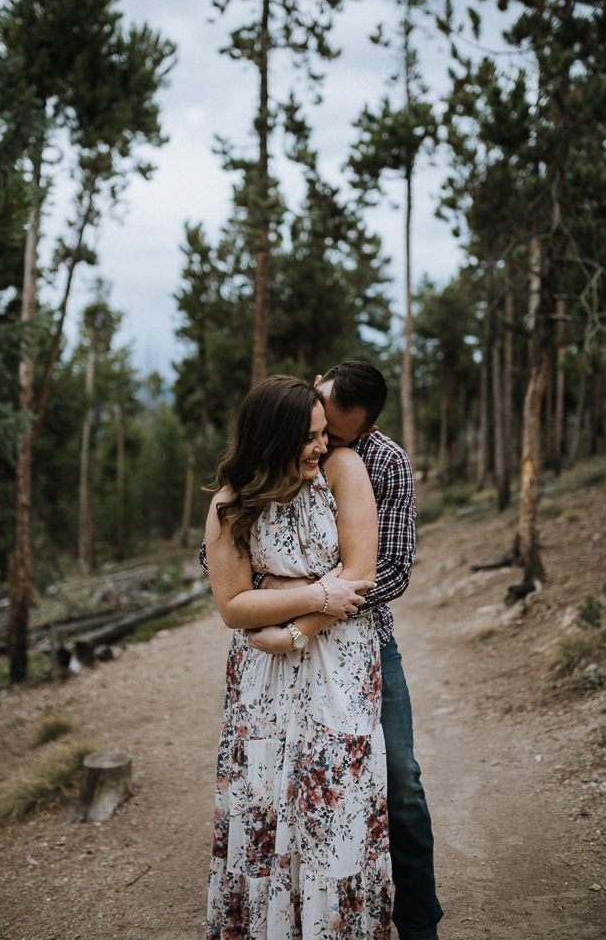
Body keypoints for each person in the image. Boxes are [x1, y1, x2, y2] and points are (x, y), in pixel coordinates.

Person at [245, 362, 443, 940]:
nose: (321, 445)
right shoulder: (281, 434)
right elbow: (219, 564)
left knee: (398, 781)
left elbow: (389, 572)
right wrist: (297, 591)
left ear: (365, 429)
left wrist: (305, 610)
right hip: (275, 659)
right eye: (317, 428)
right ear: (316, 389)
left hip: (363, 645)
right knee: (277, 785)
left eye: (336, 436)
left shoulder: (383, 461)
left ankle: (415, 923)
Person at [204, 375, 392, 939]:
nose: (322, 445)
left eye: (323, 435)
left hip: (341, 664)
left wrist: (297, 629)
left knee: (338, 807)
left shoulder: (343, 470)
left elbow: (358, 577)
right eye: (309, 437)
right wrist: (316, 592)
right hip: (261, 677)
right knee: (263, 804)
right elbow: (234, 606)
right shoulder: (229, 504)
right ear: (272, 439)